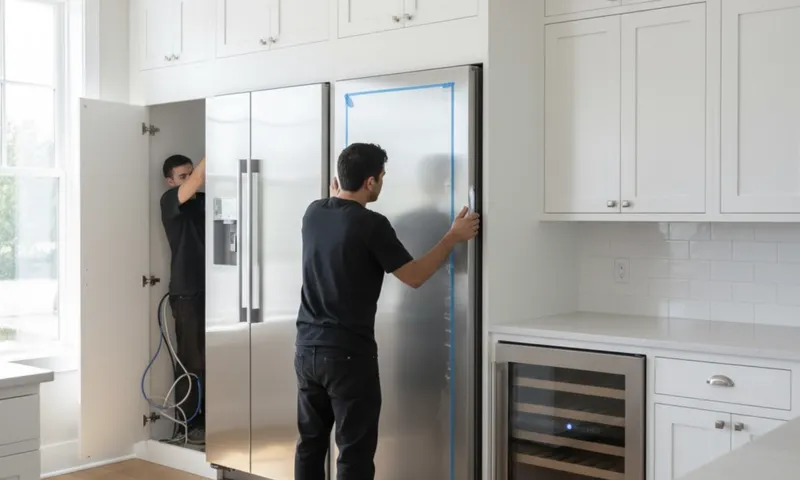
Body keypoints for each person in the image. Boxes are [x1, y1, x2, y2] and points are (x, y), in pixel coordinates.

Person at [294, 143, 480, 480]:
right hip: (348, 355)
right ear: (370, 182)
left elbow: (334, 205)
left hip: (307, 349)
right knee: (354, 452)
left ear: (338, 179)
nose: (382, 182)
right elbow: (414, 276)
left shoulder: (313, 212)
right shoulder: (371, 225)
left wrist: (336, 195)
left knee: (310, 444)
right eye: (381, 177)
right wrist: (452, 237)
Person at [160, 154, 206, 444]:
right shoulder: (169, 201)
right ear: (170, 181)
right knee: (191, 361)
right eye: (182, 177)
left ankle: (211, 423)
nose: (189, 180)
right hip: (187, 292)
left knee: (216, 359)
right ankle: (187, 427)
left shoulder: (203, 201)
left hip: (215, 289)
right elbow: (199, 180)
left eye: (191, 174)